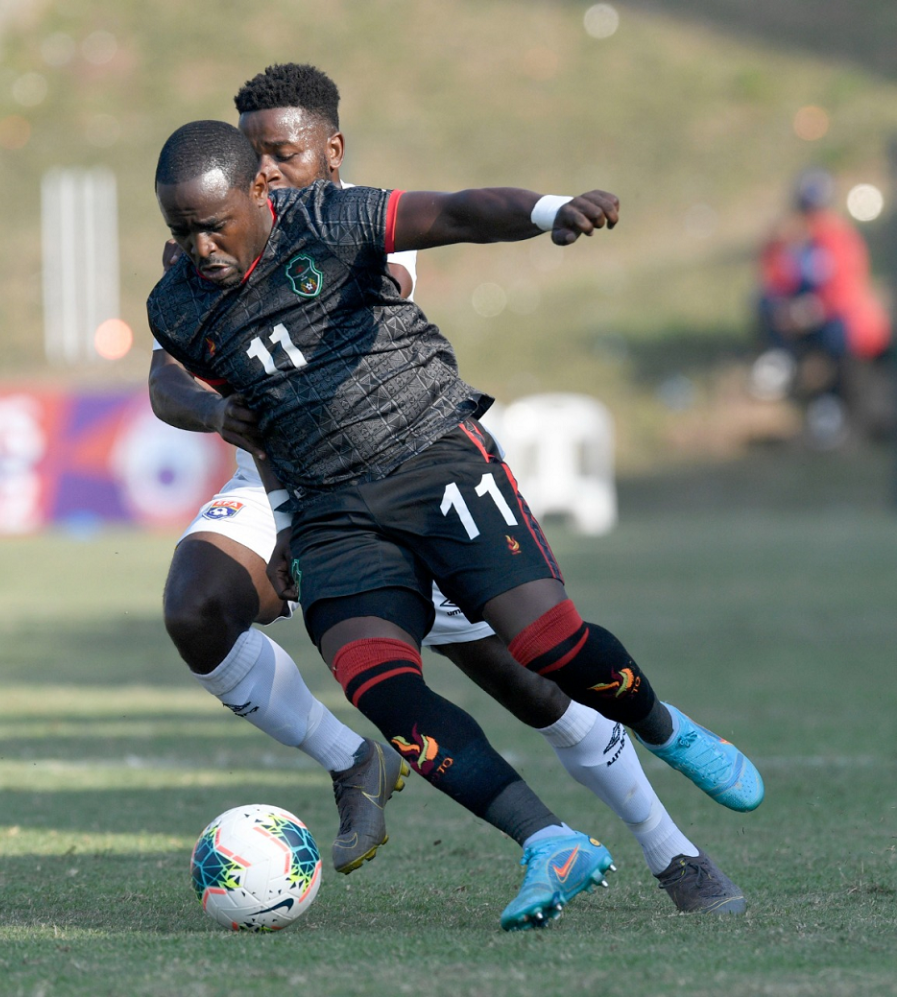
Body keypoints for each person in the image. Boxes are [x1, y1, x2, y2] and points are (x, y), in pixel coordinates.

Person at [151, 64, 749, 916]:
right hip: (304, 490)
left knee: (539, 671)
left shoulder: (349, 222)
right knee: (234, 620)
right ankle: (384, 772)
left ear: (330, 152)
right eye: (257, 156)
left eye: (283, 155)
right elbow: (187, 378)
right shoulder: (192, 273)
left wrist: (547, 211)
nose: (272, 172)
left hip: (416, 458)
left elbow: (448, 227)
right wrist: (256, 475)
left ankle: (673, 840)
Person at [753, 168, 892, 443]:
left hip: (849, 332)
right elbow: (775, 279)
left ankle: (846, 416)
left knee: (839, 336)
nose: (811, 217)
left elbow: (843, 293)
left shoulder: (838, 237)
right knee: (767, 306)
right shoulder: (789, 239)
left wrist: (807, 312)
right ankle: (782, 372)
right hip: (813, 323)